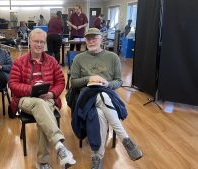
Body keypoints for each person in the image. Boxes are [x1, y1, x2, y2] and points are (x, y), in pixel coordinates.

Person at [70, 28, 143, 169]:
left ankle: (97, 157)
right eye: (88, 38)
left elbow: (118, 81)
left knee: (99, 112)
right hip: (85, 96)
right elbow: (73, 83)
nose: (91, 41)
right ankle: (126, 139)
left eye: (94, 38)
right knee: (100, 96)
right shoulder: (79, 58)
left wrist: (107, 83)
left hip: (107, 94)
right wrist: (90, 78)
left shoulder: (112, 57)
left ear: (101, 39)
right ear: (85, 40)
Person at [9, 28, 76, 169]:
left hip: (48, 98)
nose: (39, 44)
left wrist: (51, 94)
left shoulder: (51, 61)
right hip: (25, 99)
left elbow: (60, 82)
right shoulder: (19, 62)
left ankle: (43, 162)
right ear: (30, 41)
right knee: (40, 104)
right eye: (36, 41)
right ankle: (59, 146)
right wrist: (31, 90)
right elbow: (13, 84)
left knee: (42, 113)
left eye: (42, 42)